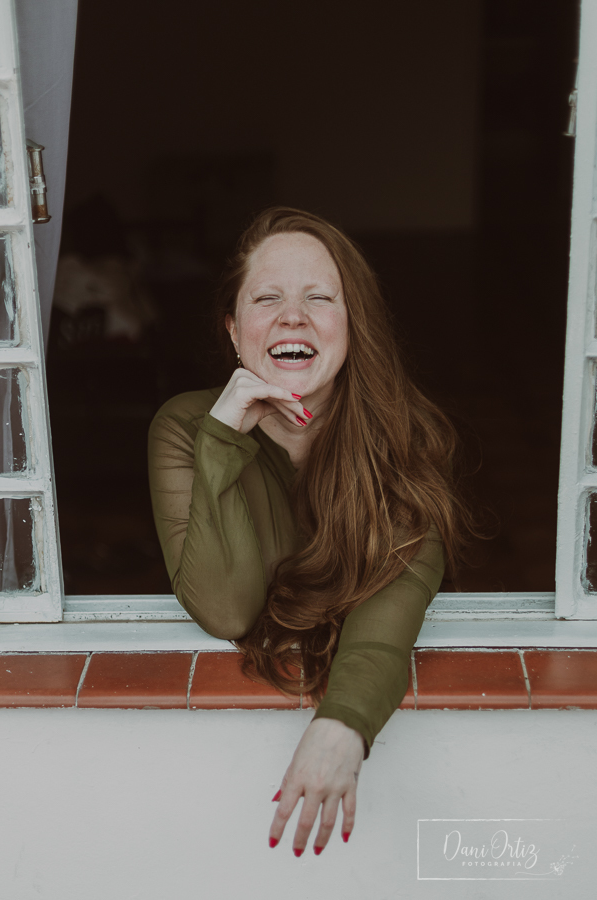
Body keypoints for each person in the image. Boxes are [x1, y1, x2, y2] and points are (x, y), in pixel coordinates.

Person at [148, 207, 472, 858]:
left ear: (353, 327)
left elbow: (388, 612)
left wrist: (342, 729)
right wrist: (223, 438)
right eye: (268, 299)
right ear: (235, 332)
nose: (292, 316)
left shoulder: (407, 441)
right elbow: (227, 606)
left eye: (319, 298)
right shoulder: (187, 425)